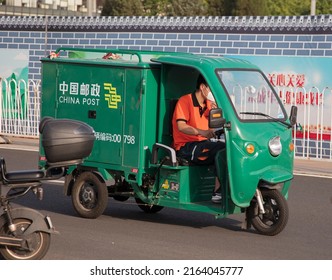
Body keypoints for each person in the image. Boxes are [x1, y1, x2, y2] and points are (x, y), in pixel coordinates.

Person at [172, 74, 225, 203]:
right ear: (202, 87)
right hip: (186, 147)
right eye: (211, 88)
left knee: (229, 148)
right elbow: (181, 126)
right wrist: (203, 133)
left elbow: (215, 126)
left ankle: (224, 188)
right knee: (221, 149)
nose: (213, 91)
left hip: (203, 144)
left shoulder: (210, 105)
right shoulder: (185, 101)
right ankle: (218, 192)